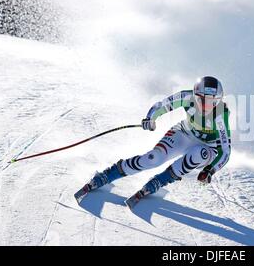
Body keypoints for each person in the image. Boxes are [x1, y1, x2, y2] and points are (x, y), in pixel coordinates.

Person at [74, 76, 231, 209]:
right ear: (195, 96)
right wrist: (151, 118)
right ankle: (108, 175)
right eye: (201, 100)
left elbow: (225, 150)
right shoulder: (186, 97)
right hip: (184, 134)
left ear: (218, 101)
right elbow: (161, 105)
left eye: (212, 102)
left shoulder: (220, 115)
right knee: (153, 158)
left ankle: (161, 180)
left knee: (198, 154)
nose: (205, 106)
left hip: (206, 149)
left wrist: (210, 171)